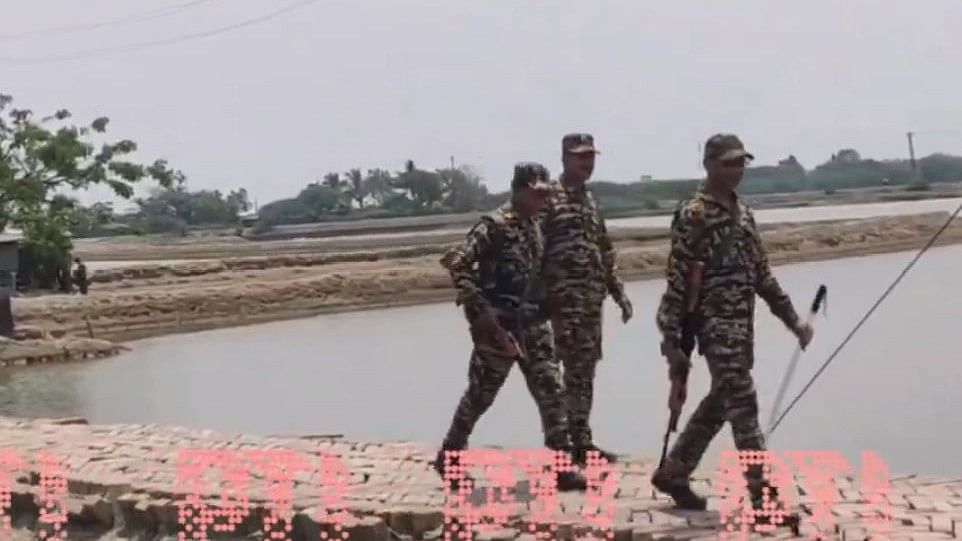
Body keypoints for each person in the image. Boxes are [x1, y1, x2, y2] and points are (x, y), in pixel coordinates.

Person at [651, 134, 814, 514]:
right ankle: (763, 497)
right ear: (708, 165)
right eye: (728, 163)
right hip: (712, 325)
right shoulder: (694, 214)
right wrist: (672, 340)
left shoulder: (745, 214)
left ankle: (674, 471)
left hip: (742, 326)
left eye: (741, 163)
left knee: (721, 402)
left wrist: (793, 321)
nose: (736, 170)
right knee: (743, 401)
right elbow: (677, 279)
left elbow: (762, 275)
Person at [434, 162, 587, 492]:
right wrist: (481, 313)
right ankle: (449, 456)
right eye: (536, 194)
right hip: (499, 327)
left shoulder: (535, 225)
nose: (542, 200)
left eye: (546, 194)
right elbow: (459, 265)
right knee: (480, 396)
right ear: (518, 190)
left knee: (552, 393)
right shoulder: (493, 226)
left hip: (532, 324)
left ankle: (562, 467)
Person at [540, 133, 632, 466]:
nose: (587, 163)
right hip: (562, 304)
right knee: (562, 375)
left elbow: (604, 248)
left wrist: (618, 292)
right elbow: (534, 248)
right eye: (581, 157)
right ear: (565, 158)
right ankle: (562, 446)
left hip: (591, 303)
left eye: (591, 157)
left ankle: (582, 441)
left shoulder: (590, 200)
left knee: (584, 372)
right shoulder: (549, 198)